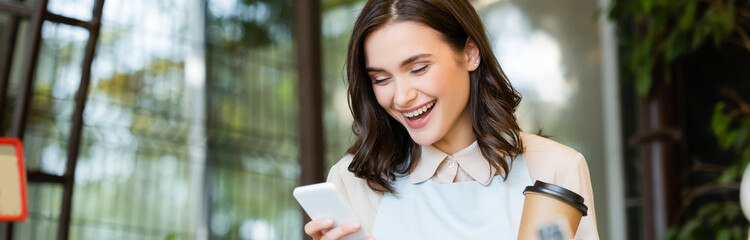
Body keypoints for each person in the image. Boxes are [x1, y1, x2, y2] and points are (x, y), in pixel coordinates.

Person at [304, 0, 599, 239]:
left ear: (471, 53)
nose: (402, 96)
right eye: (381, 79)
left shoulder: (554, 168)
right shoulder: (354, 182)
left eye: (418, 69)